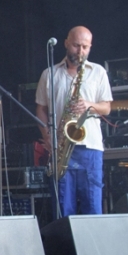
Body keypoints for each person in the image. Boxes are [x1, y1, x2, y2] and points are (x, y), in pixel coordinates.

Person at [35, 26, 112, 216]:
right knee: (63, 209)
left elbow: (106, 107)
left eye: (85, 47)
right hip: (60, 148)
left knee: (92, 206)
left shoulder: (98, 72)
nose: (80, 51)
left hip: (90, 147)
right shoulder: (49, 74)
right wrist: (48, 137)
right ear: (66, 43)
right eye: (76, 46)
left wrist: (88, 105)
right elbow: (41, 109)